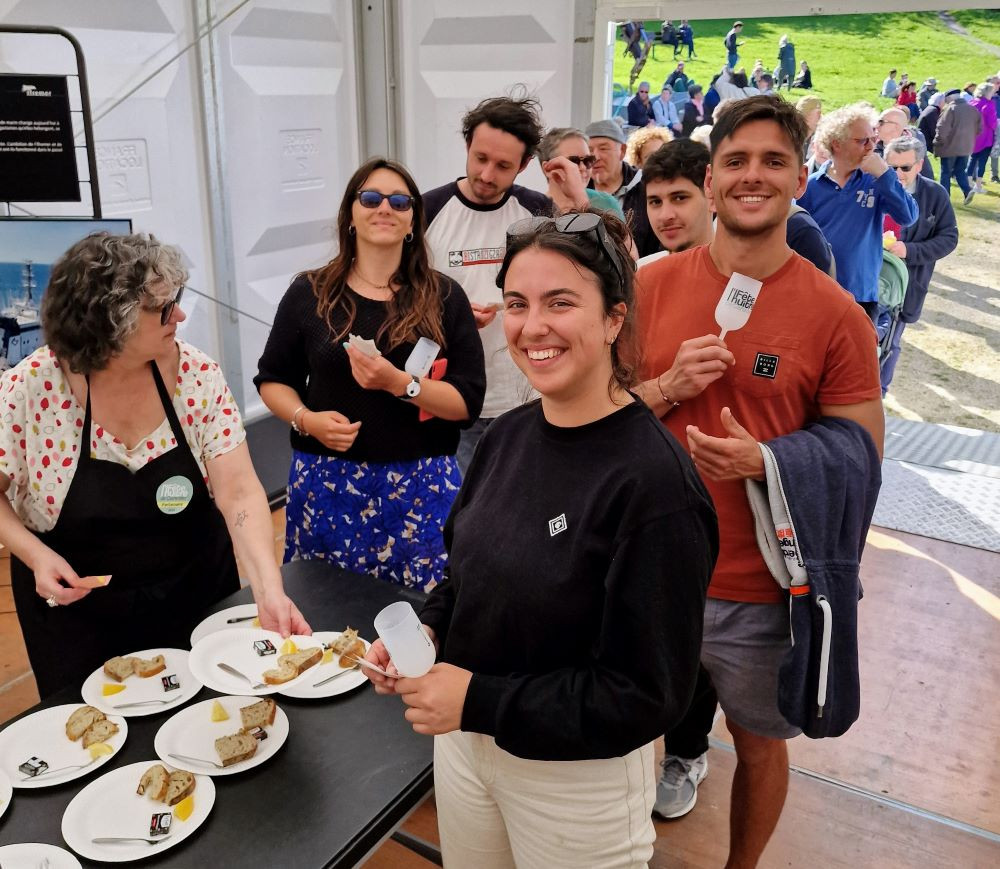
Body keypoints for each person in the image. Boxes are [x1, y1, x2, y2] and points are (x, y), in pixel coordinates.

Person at [366, 211, 718, 868]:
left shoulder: (653, 486)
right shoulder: (506, 436)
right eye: (517, 303)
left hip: (574, 783)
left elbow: (647, 693)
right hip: (466, 749)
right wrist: (430, 632)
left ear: (614, 318)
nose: (532, 326)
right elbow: (465, 574)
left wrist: (478, 699)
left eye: (561, 302)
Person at [636, 94, 884, 868]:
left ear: (801, 179)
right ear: (711, 180)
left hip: (758, 591)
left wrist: (768, 461)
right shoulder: (648, 288)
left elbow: (863, 456)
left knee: (759, 742)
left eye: (774, 160)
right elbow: (595, 415)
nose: (754, 175)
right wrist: (667, 386)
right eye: (736, 160)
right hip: (645, 571)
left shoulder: (836, 315)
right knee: (622, 728)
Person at [0, 233, 309, 697]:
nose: (179, 316)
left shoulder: (196, 377)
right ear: (108, 322)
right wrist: (35, 556)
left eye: (175, 300)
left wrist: (268, 589)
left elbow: (239, 492)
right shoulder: (32, 388)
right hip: (79, 615)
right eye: (163, 309)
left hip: (196, 594)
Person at [257, 158, 486, 592]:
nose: (385, 208)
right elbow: (273, 380)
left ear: (413, 221)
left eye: (400, 202)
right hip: (328, 484)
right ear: (350, 214)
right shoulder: (310, 293)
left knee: (421, 612)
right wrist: (307, 420)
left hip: (420, 487)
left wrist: (399, 383)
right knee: (324, 607)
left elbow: (467, 404)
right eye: (370, 198)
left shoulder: (444, 297)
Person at [419, 96, 560, 474]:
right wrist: (452, 315)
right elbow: (401, 298)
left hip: (525, 396)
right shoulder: (427, 211)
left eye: (503, 166)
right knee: (463, 506)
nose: (486, 175)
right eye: (480, 158)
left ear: (524, 165)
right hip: (452, 398)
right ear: (467, 145)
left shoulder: (538, 212)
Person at [797, 102, 918, 322]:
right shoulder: (810, 186)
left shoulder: (877, 181)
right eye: (862, 141)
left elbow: (908, 216)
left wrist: (884, 174)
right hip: (815, 292)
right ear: (837, 144)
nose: (871, 146)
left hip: (860, 295)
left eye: (874, 139)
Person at [879, 138, 958, 395]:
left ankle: (879, 394)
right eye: (892, 167)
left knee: (890, 343)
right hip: (866, 280)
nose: (898, 174)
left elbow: (949, 238)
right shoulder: (872, 187)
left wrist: (909, 250)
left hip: (906, 286)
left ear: (920, 165)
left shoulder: (935, 195)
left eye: (905, 168)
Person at [585, 119, 659, 257]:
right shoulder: (579, 192)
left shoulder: (645, 187)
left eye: (603, 148)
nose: (595, 157)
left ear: (622, 151)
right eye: (589, 150)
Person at [536, 127, 624, 218]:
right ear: (548, 168)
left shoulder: (607, 202)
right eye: (573, 161)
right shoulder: (534, 209)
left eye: (588, 160)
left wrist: (580, 199)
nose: (583, 167)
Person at [935, 89, 983, 203]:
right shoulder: (973, 109)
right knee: (960, 171)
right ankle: (967, 190)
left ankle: (944, 199)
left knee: (946, 173)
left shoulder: (950, 109)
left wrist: (937, 143)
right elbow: (979, 129)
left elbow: (942, 129)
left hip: (949, 148)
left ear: (949, 98)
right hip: (966, 147)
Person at [876, 107, 934, 179]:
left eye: (881, 122)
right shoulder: (871, 146)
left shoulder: (914, 151)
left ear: (896, 127)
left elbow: (924, 180)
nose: (876, 126)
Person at [968, 83, 997, 193]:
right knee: (982, 162)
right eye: (992, 91)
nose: (993, 93)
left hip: (973, 136)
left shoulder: (971, 103)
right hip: (986, 137)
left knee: (972, 159)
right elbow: (992, 123)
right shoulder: (989, 104)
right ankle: (978, 185)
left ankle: (968, 182)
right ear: (987, 92)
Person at [796, 95, 822, 160]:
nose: (821, 117)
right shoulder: (789, 137)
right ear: (806, 116)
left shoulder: (817, 138)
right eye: (818, 113)